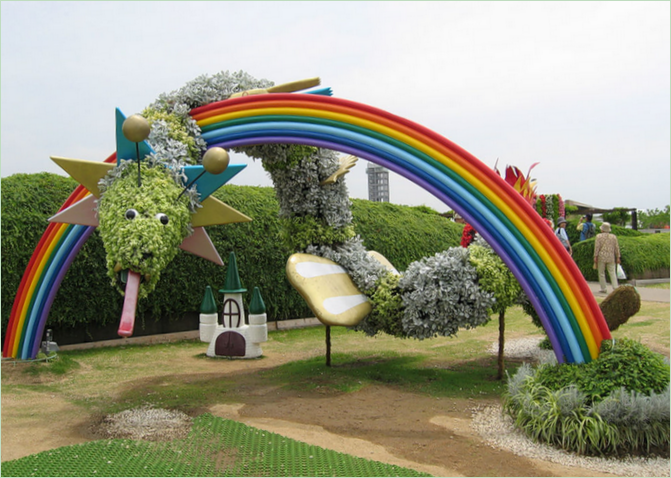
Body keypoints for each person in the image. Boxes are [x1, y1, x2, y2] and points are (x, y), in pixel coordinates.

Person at [593, 222, 621, 294]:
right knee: (612, 272)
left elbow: (597, 247)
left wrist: (595, 256)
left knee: (601, 272)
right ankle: (615, 287)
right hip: (611, 257)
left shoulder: (598, 236)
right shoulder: (613, 237)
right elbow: (616, 247)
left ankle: (603, 288)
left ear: (602, 229)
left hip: (601, 256)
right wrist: (618, 256)